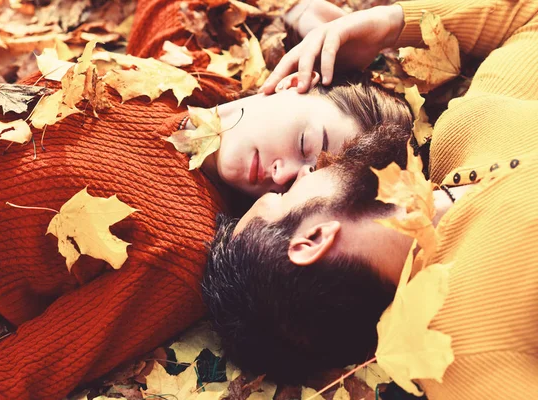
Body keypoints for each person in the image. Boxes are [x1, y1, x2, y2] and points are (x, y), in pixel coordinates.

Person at [0, 0, 411, 398]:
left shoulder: (180, 248)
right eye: (307, 143)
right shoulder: (188, 82)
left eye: (295, 191)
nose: (281, 173)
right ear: (292, 82)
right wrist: (302, 20)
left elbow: (22, 374)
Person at [203, 0, 538, 397]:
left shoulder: (461, 134)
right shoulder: (465, 353)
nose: (306, 172)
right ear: (312, 240)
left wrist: (389, 23)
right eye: (285, 194)